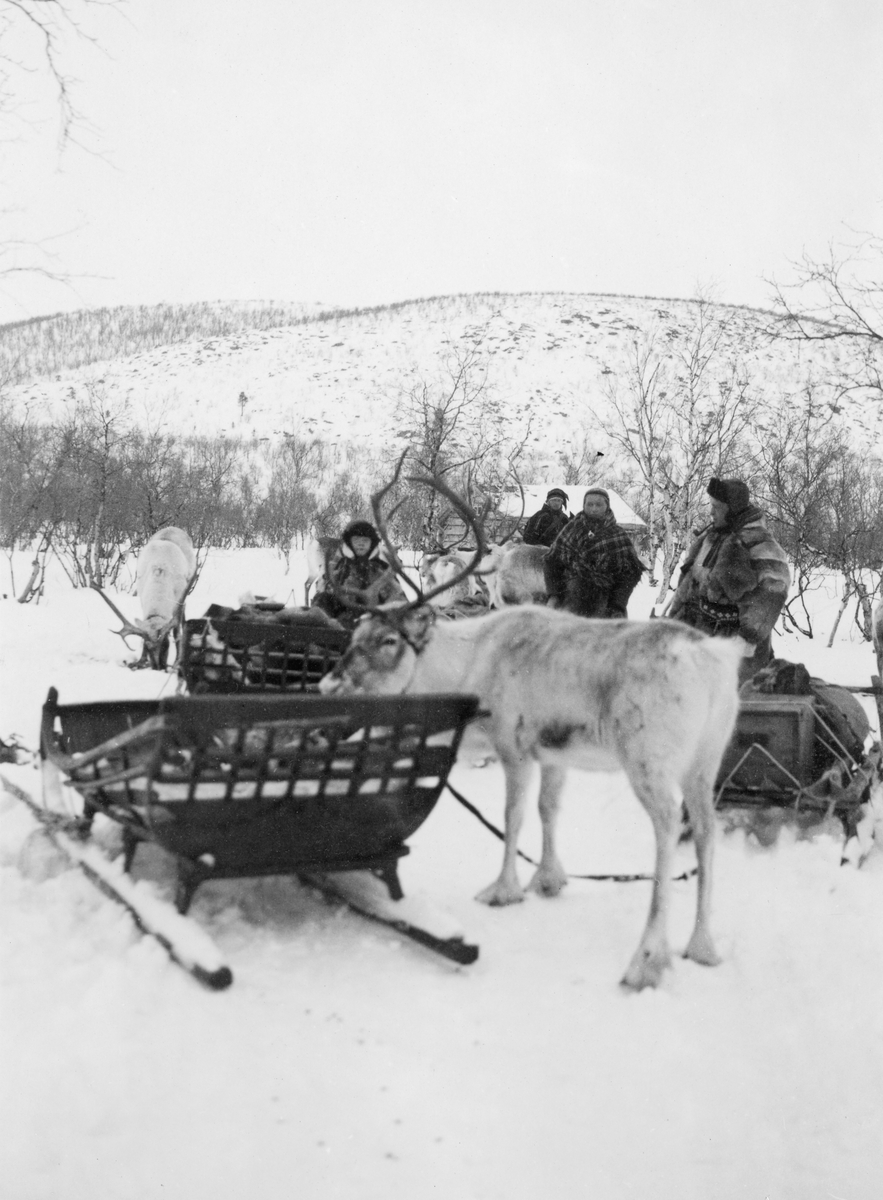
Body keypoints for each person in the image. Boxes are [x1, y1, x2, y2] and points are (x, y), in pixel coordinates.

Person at [668, 478, 790, 681]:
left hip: (737, 646)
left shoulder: (758, 541)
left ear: (732, 509)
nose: (711, 512)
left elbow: (774, 588)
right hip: (703, 635)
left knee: (736, 703)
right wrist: (676, 620)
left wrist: (747, 639)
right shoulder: (711, 539)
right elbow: (691, 582)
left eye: (716, 507)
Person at [543, 487, 645, 618]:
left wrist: (617, 605)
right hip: (571, 601)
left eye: (599, 504)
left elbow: (630, 573)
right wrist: (554, 595)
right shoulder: (571, 530)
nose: (594, 508)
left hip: (607, 605)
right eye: (589, 504)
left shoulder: (618, 535)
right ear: (584, 505)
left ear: (607, 506)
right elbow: (551, 562)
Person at [310, 520, 405, 629]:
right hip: (340, 626)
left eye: (365, 540)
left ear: (372, 543)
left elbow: (397, 600)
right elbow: (324, 596)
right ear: (349, 542)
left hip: (375, 625)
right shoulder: (338, 568)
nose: (361, 543)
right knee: (323, 600)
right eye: (356, 539)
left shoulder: (381, 570)